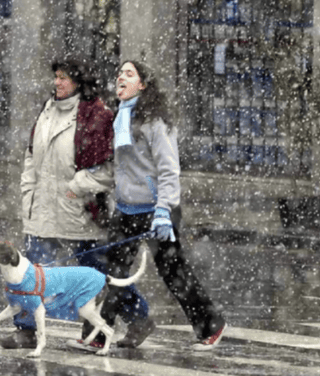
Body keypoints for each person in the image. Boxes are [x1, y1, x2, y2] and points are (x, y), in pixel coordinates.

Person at [71, 60, 227, 353]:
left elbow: (169, 169)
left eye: (129, 74)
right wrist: (87, 185)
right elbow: (119, 169)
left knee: (173, 272)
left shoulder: (156, 122)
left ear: (142, 84)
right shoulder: (120, 119)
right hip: (127, 209)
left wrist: (165, 211)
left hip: (157, 210)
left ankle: (211, 325)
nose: (121, 77)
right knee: (112, 273)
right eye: (119, 73)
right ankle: (97, 335)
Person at [0, 57, 151, 350]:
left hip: (79, 211)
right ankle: (27, 330)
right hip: (42, 209)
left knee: (95, 271)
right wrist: (27, 187)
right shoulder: (46, 110)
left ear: (79, 82)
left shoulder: (97, 116)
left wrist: (77, 187)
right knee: (32, 273)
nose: (57, 83)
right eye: (56, 77)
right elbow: (32, 154)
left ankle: (139, 317)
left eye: (64, 78)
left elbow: (110, 167)